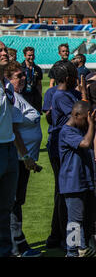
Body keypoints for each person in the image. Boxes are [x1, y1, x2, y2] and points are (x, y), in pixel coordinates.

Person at [4, 62, 42, 257]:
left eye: (23, 75)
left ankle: (17, 243)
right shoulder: (11, 97)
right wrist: (26, 156)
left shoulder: (17, 96)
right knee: (13, 203)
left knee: (15, 202)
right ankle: (17, 245)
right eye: (18, 76)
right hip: (18, 157)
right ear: (8, 79)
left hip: (21, 158)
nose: (23, 78)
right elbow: (14, 129)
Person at [46, 61, 82, 250]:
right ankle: (66, 241)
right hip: (64, 149)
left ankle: (62, 238)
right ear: (68, 78)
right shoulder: (61, 95)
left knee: (68, 194)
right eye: (75, 74)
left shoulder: (69, 93)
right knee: (67, 194)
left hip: (69, 147)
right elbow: (82, 116)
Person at [59, 101, 96, 257]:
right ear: (75, 115)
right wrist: (91, 125)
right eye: (85, 118)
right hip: (72, 183)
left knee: (87, 219)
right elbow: (86, 143)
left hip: (85, 181)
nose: (87, 121)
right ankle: (72, 252)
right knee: (74, 221)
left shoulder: (80, 129)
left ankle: (82, 248)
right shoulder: (67, 131)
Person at [0, 41, 19, 257]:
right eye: (0, 51)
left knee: (5, 209)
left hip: (9, 148)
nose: (5, 53)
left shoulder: (8, 84)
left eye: (5, 50)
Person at [20, 47, 43, 113]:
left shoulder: (37, 69)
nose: (31, 57)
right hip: (24, 96)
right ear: (24, 56)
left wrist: (40, 97)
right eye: (29, 55)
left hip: (34, 97)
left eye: (33, 55)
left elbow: (39, 84)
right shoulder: (20, 68)